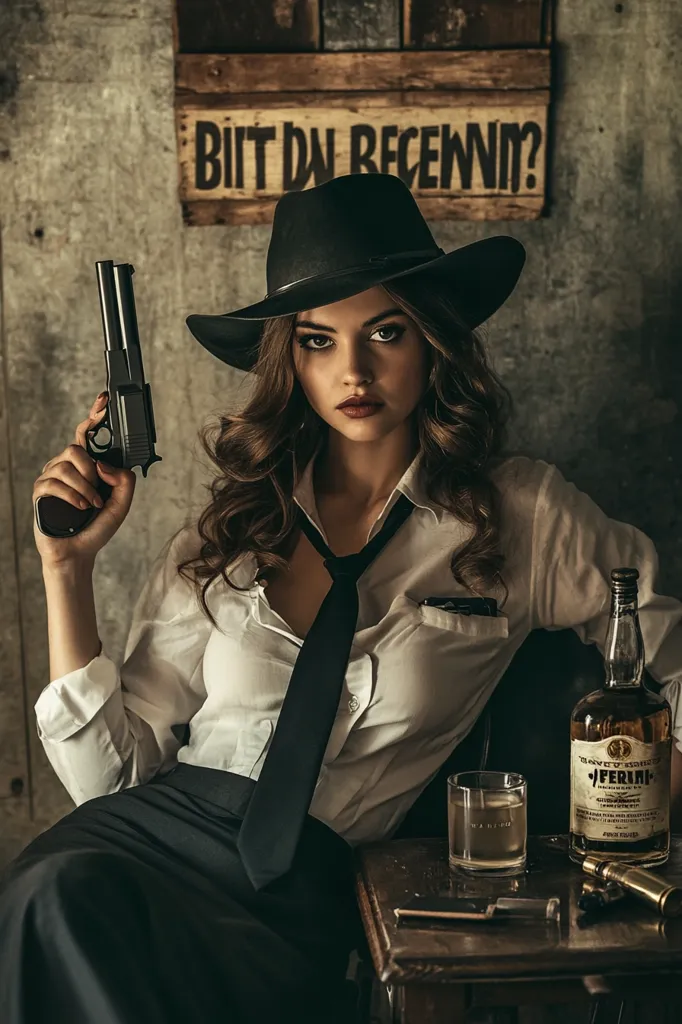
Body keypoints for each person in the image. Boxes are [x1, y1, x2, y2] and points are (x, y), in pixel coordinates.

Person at [2, 172, 682, 1023]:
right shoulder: (233, 527)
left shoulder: (524, 515)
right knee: (54, 894)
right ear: (291, 360)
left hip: (312, 889)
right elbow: (109, 780)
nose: (353, 371)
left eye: (385, 332)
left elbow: (667, 644)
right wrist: (65, 570)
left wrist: (646, 814)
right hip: (145, 838)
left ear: (433, 339)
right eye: (319, 341)